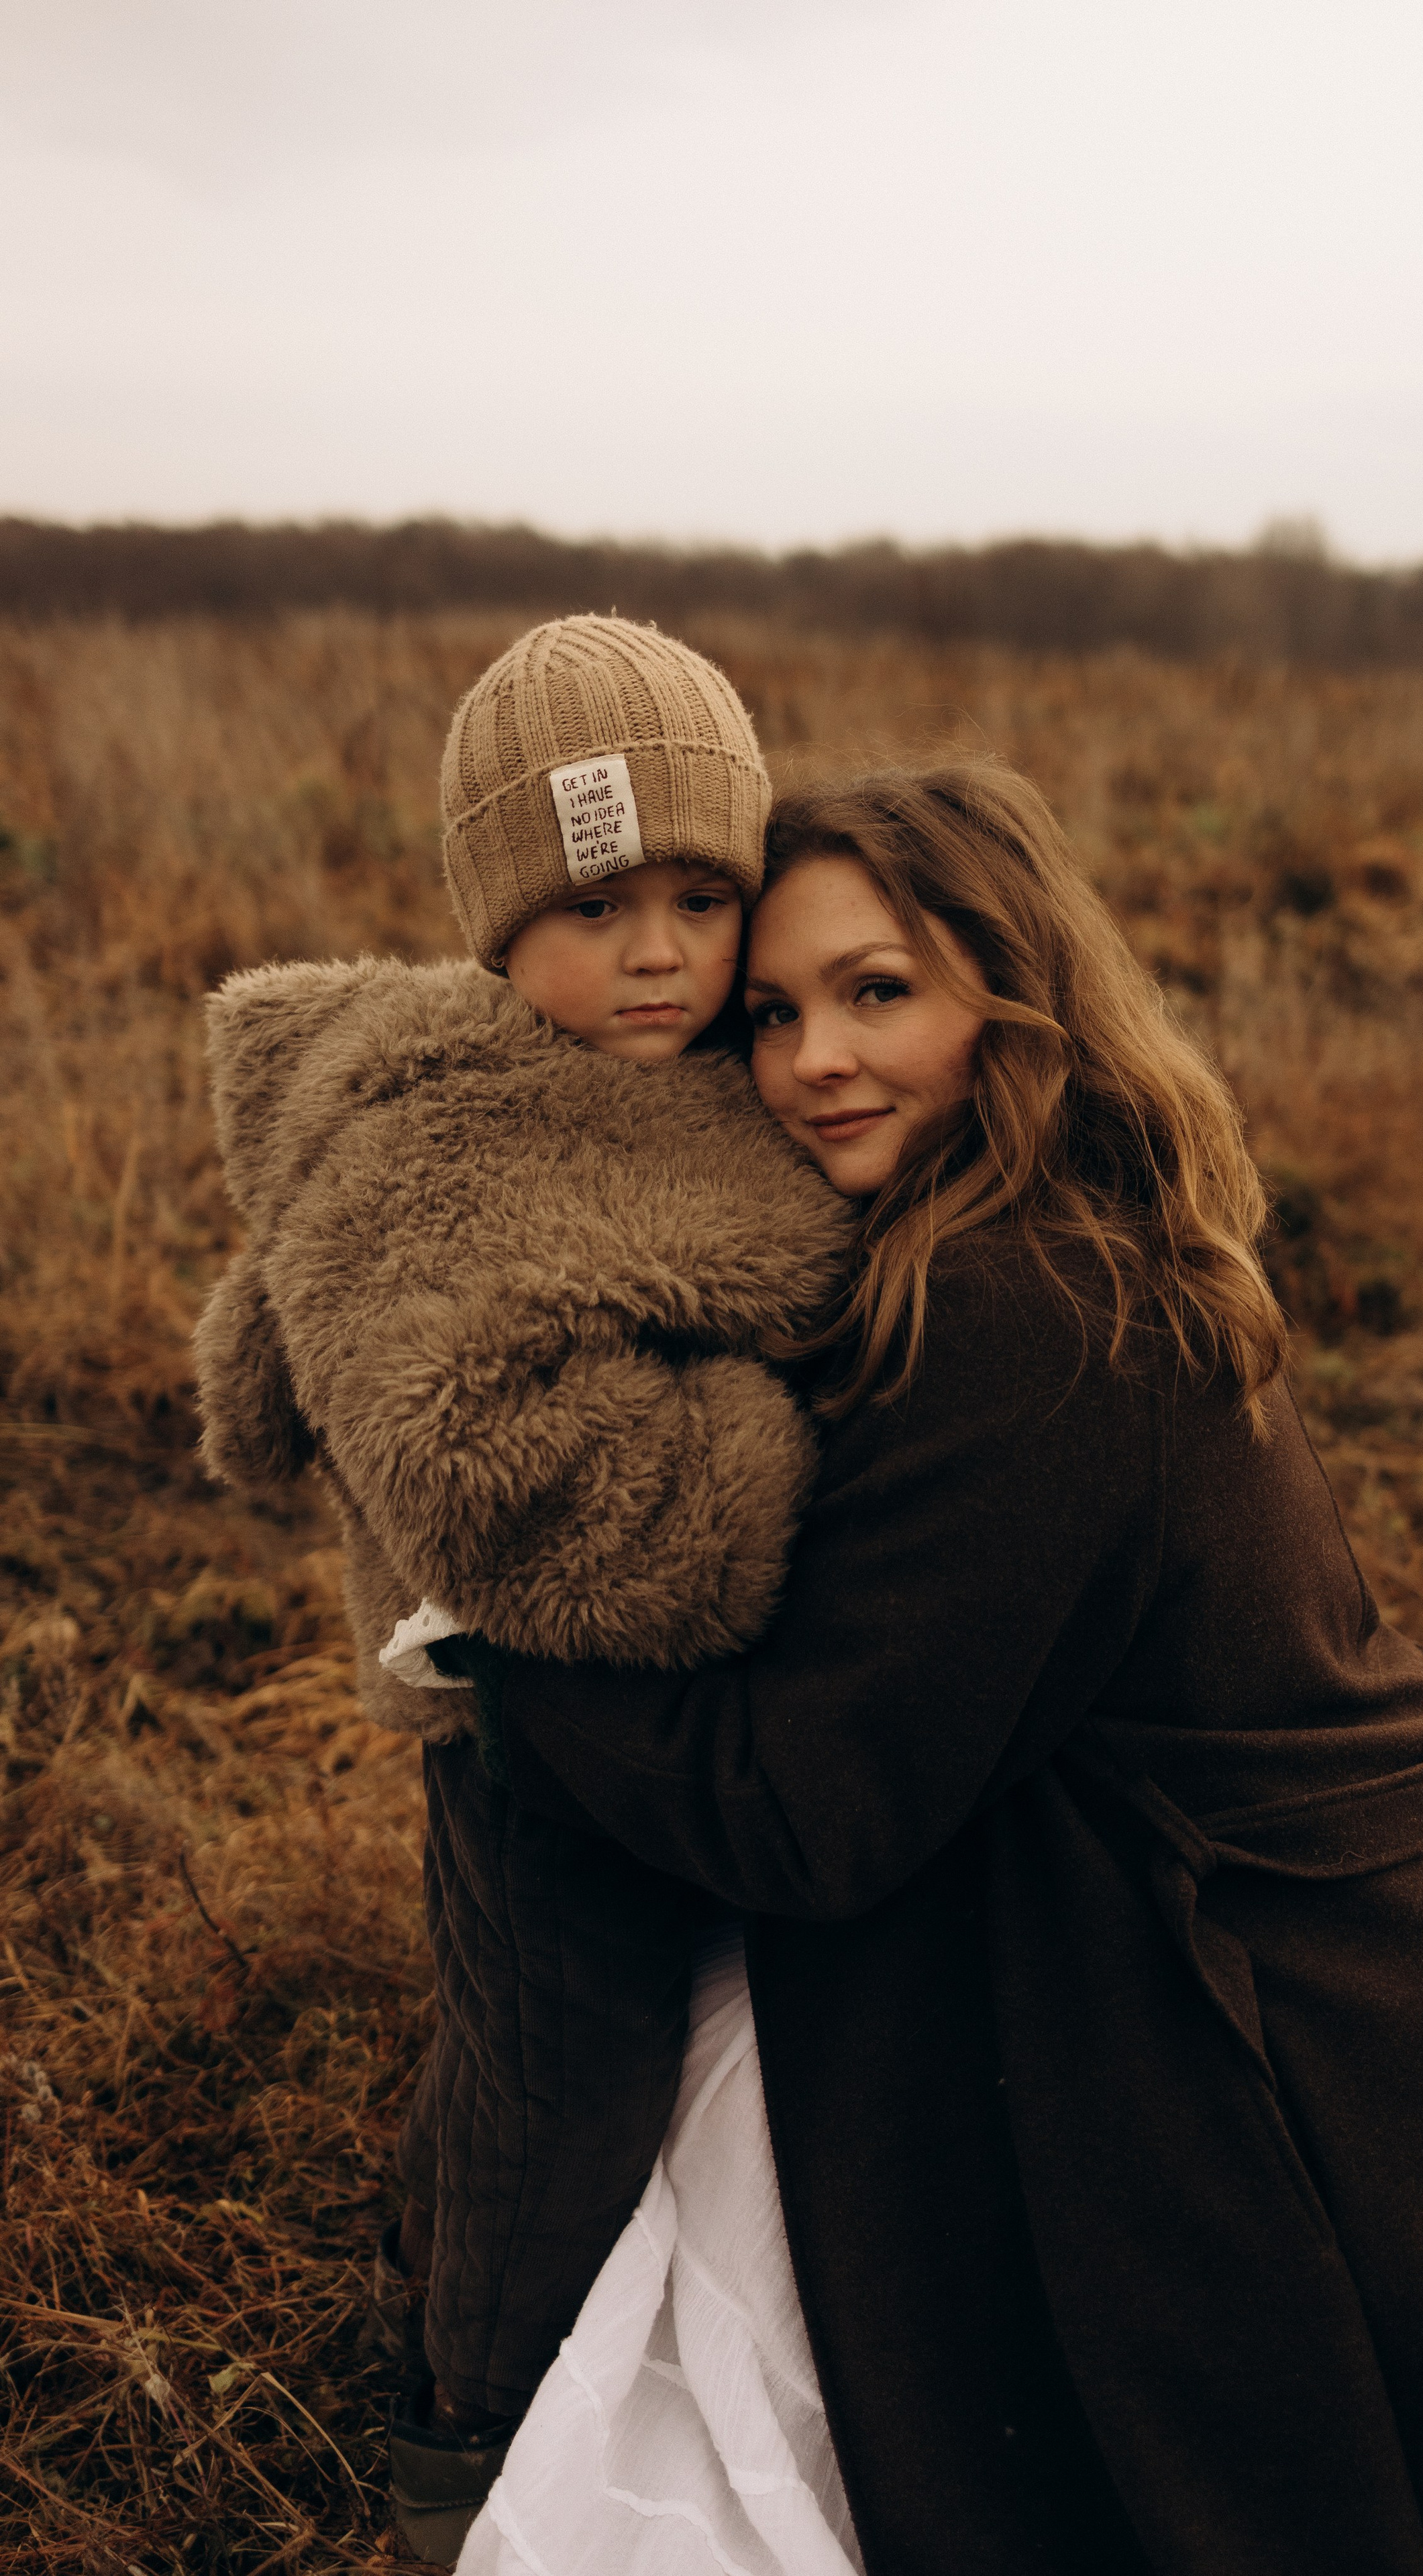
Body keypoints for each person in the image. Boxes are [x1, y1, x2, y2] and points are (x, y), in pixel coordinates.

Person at [459, 761, 1423, 2576]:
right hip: (1359, 1962)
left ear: (1016, 1000)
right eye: (771, 1014)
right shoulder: (1035, 1225)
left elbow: (800, 1818)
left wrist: (508, 1654)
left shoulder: (1028, 1308)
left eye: (879, 992)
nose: (814, 1061)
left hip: (1272, 2022)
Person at [192, 616, 849, 2563]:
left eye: (700, 899)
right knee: (562, 2074)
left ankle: (446, 2260)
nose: (657, 954)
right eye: (592, 906)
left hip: (608, 1723)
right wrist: (784, 1454)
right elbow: (492, 1463)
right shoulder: (463, 1139)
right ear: (497, 927)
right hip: (535, 1721)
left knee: (521, 2033)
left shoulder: (687, 1085)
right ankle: (467, 2423)